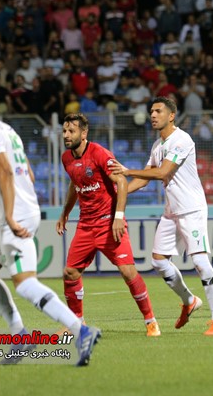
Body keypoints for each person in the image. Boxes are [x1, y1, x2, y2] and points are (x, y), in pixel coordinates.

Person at [0, 77, 100, 366]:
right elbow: (28, 175)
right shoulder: (7, 130)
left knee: (25, 284)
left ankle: (81, 331)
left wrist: (10, 216)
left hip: (16, 215)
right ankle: (20, 336)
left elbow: (6, 171)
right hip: (21, 209)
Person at [111, 96, 213, 336]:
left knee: (199, 261)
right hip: (172, 211)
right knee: (159, 261)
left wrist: (126, 170)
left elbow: (163, 172)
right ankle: (189, 300)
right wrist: (119, 193)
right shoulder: (157, 145)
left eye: (158, 111)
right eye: (151, 111)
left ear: (171, 115)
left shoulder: (182, 140)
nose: (153, 115)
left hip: (191, 208)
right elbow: (144, 179)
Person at [57, 113, 160, 337]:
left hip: (108, 222)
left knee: (127, 271)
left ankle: (151, 321)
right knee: (70, 272)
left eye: (71, 131)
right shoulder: (66, 158)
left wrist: (118, 217)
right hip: (86, 225)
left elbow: (121, 181)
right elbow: (75, 184)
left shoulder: (99, 153)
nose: (66, 135)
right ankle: (77, 323)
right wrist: (65, 213)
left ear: (84, 133)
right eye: (64, 131)